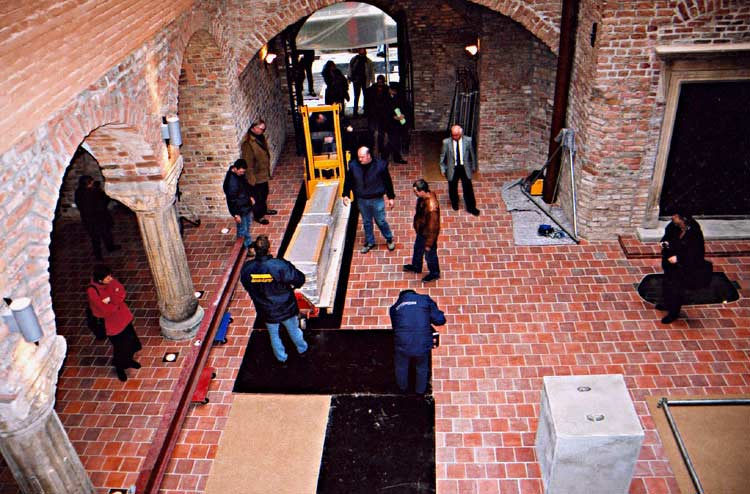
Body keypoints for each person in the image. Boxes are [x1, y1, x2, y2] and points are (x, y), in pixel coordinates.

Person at [240, 235, 308, 363]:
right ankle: (302, 349)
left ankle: (281, 357)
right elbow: (299, 279)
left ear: (254, 250)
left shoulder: (247, 269)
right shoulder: (279, 265)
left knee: (274, 334)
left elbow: (247, 285)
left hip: (266, 310)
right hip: (286, 307)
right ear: (269, 249)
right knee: (294, 330)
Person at [87, 265, 142, 382]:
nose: (111, 279)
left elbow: (121, 292)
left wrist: (111, 300)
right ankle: (120, 368)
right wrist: (114, 300)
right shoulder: (93, 291)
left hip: (123, 318)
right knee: (120, 348)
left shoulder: (111, 281)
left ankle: (129, 360)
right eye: (107, 278)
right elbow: (103, 309)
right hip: (112, 325)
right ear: (100, 280)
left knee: (131, 342)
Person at [389, 289, 446, 394]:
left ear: (401, 298)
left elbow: (395, 326)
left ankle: (402, 388)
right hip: (422, 343)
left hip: (403, 344)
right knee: (422, 365)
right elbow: (440, 320)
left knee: (401, 365)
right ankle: (420, 391)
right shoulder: (424, 299)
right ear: (415, 294)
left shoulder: (393, 308)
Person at [342, 146, 396, 254]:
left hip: (377, 199)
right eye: (359, 157)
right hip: (362, 199)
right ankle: (370, 241)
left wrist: (391, 197)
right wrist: (346, 194)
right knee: (366, 221)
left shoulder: (380, 166)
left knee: (380, 220)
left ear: (368, 155)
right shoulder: (353, 165)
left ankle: (389, 238)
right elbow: (349, 180)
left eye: (362, 157)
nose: (360, 159)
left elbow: (387, 182)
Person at [657, 213, 709, 324]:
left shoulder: (694, 232)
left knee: (677, 289)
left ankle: (673, 312)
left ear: (682, 219)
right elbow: (667, 236)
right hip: (669, 261)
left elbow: (697, 253)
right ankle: (666, 302)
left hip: (683, 266)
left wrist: (679, 258)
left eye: (675, 216)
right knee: (667, 283)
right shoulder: (673, 226)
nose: (672, 217)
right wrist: (664, 243)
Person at [74, 175, 121, 261]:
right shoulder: (94, 192)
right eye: (92, 182)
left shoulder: (78, 192)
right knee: (105, 234)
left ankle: (100, 254)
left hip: (88, 219)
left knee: (95, 237)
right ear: (89, 183)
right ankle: (108, 249)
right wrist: (104, 195)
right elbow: (103, 204)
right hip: (99, 218)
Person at [403, 179, 441, 283]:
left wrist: (428, 244)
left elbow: (433, 228)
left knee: (430, 255)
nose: (415, 193)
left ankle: (434, 273)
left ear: (422, 191)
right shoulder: (422, 198)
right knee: (417, 249)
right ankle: (416, 266)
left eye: (416, 191)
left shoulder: (432, 208)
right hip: (421, 231)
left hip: (427, 235)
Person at [241, 119, 277, 225]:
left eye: (264, 128)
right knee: (258, 197)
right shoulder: (248, 144)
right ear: (253, 128)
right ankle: (259, 215)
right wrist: (252, 180)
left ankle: (264, 209)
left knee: (264, 193)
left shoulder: (260, 137)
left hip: (263, 174)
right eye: (261, 128)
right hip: (256, 177)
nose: (263, 131)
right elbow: (248, 164)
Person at [440, 124, 480, 216]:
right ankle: (454, 202)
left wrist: (473, 166)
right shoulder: (446, 142)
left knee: (468, 188)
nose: (455, 137)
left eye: (457, 135)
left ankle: (471, 207)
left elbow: (472, 154)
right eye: (453, 135)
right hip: (452, 168)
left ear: (461, 133)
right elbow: (442, 156)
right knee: (452, 187)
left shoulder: (468, 140)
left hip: (464, 167)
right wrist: (442, 168)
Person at [223, 159, 255, 248]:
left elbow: (245, 186)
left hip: (245, 205)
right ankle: (244, 247)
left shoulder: (239, 175)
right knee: (242, 229)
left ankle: (247, 243)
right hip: (240, 209)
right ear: (235, 168)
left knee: (247, 225)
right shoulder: (231, 183)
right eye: (241, 172)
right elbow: (231, 200)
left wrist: (250, 197)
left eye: (243, 172)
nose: (242, 173)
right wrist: (236, 214)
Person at [383, 82, 408, 164]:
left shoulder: (399, 97)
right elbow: (385, 112)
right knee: (393, 141)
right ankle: (385, 157)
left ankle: (396, 157)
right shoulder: (385, 99)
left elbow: (404, 107)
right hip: (390, 123)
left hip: (398, 123)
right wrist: (394, 117)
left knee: (397, 141)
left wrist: (403, 115)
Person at [364, 75, 390, 156]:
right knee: (371, 131)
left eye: (381, 83)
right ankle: (371, 148)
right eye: (379, 82)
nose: (380, 85)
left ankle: (381, 149)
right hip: (373, 113)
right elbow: (367, 101)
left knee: (381, 132)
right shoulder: (371, 89)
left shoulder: (386, 89)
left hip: (382, 113)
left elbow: (388, 102)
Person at [348, 48, 375, 116]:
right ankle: (355, 111)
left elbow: (371, 72)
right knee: (357, 96)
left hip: (364, 80)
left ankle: (365, 110)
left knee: (365, 96)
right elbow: (350, 69)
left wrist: (373, 81)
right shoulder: (355, 59)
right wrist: (349, 78)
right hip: (357, 80)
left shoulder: (368, 61)